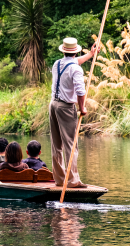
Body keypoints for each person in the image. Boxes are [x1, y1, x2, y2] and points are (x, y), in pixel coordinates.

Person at [50, 37, 99, 187]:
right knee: (71, 145)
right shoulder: (76, 68)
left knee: (56, 144)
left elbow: (74, 63)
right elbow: (80, 91)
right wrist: (82, 108)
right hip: (65, 107)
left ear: (64, 51)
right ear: (75, 52)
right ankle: (72, 181)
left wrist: (91, 54)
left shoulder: (57, 63)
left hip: (53, 105)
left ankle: (59, 179)